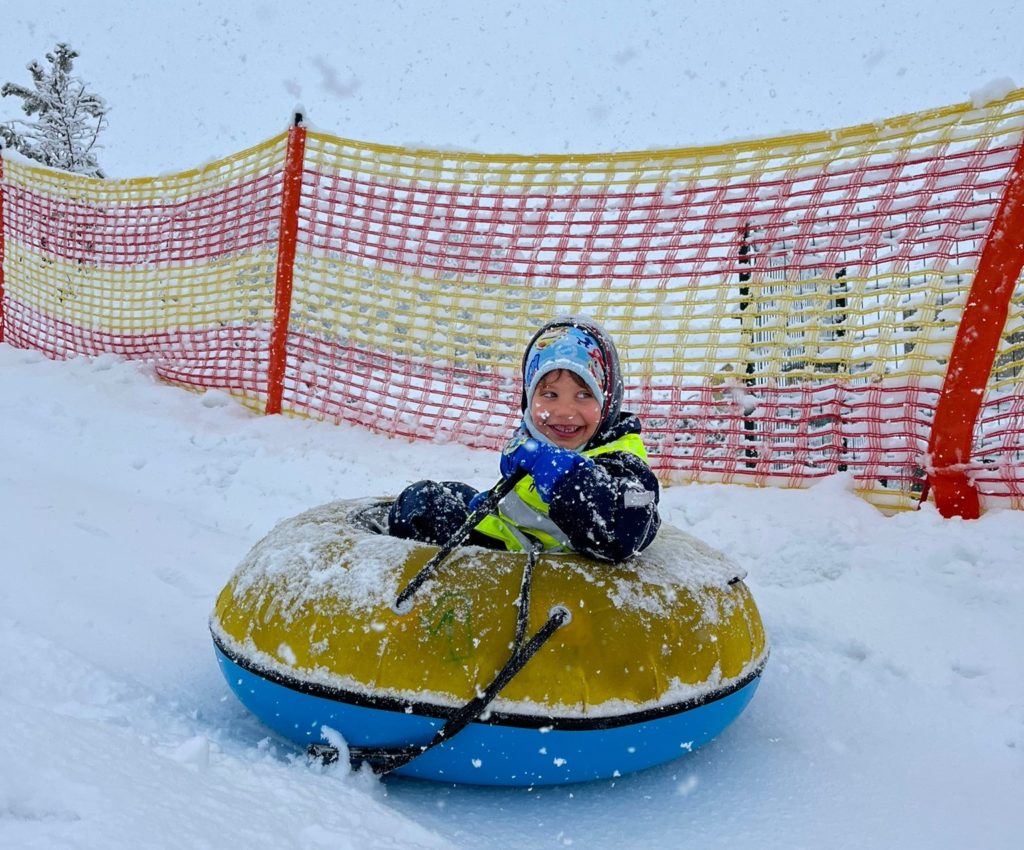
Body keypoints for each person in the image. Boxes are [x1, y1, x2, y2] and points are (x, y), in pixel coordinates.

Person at [388, 317, 660, 562]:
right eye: (550, 395)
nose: (564, 413)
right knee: (435, 498)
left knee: (422, 508)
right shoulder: (540, 438)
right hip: (512, 536)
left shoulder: (625, 461)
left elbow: (630, 519)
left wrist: (561, 472)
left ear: (608, 401)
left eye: (584, 395)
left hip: (524, 562)